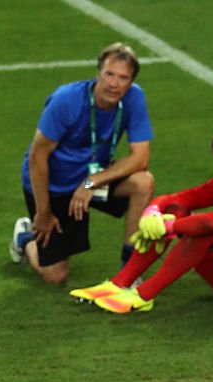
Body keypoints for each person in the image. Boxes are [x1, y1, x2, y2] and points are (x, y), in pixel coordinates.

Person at [70, 128, 213, 313]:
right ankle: (119, 283)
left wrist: (167, 227)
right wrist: (153, 212)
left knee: (206, 228)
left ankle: (143, 296)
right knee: (174, 210)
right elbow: (174, 199)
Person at [9, 43, 155, 285]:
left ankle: (129, 273)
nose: (114, 84)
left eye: (123, 77)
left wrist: (91, 182)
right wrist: (43, 213)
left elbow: (141, 157)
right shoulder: (66, 100)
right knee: (55, 275)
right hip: (55, 185)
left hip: (91, 179)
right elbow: (37, 156)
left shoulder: (133, 97)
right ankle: (25, 237)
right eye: (109, 74)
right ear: (98, 73)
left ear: (130, 82)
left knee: (143, 182)